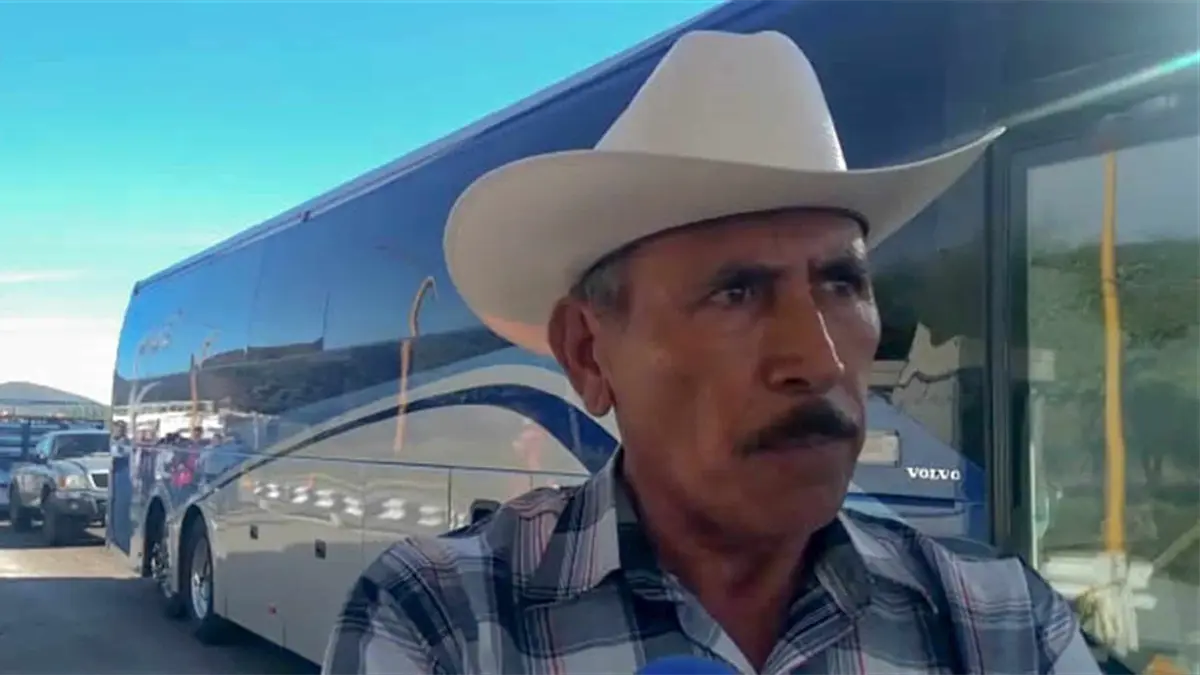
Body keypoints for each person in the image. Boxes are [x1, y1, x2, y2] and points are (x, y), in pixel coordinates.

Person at [323, 30, 1101, 675]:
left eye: (841, 283)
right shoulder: (442, 621)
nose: (819, 359)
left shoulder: (1002, 626)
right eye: (736, 293)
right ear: (588, 353)